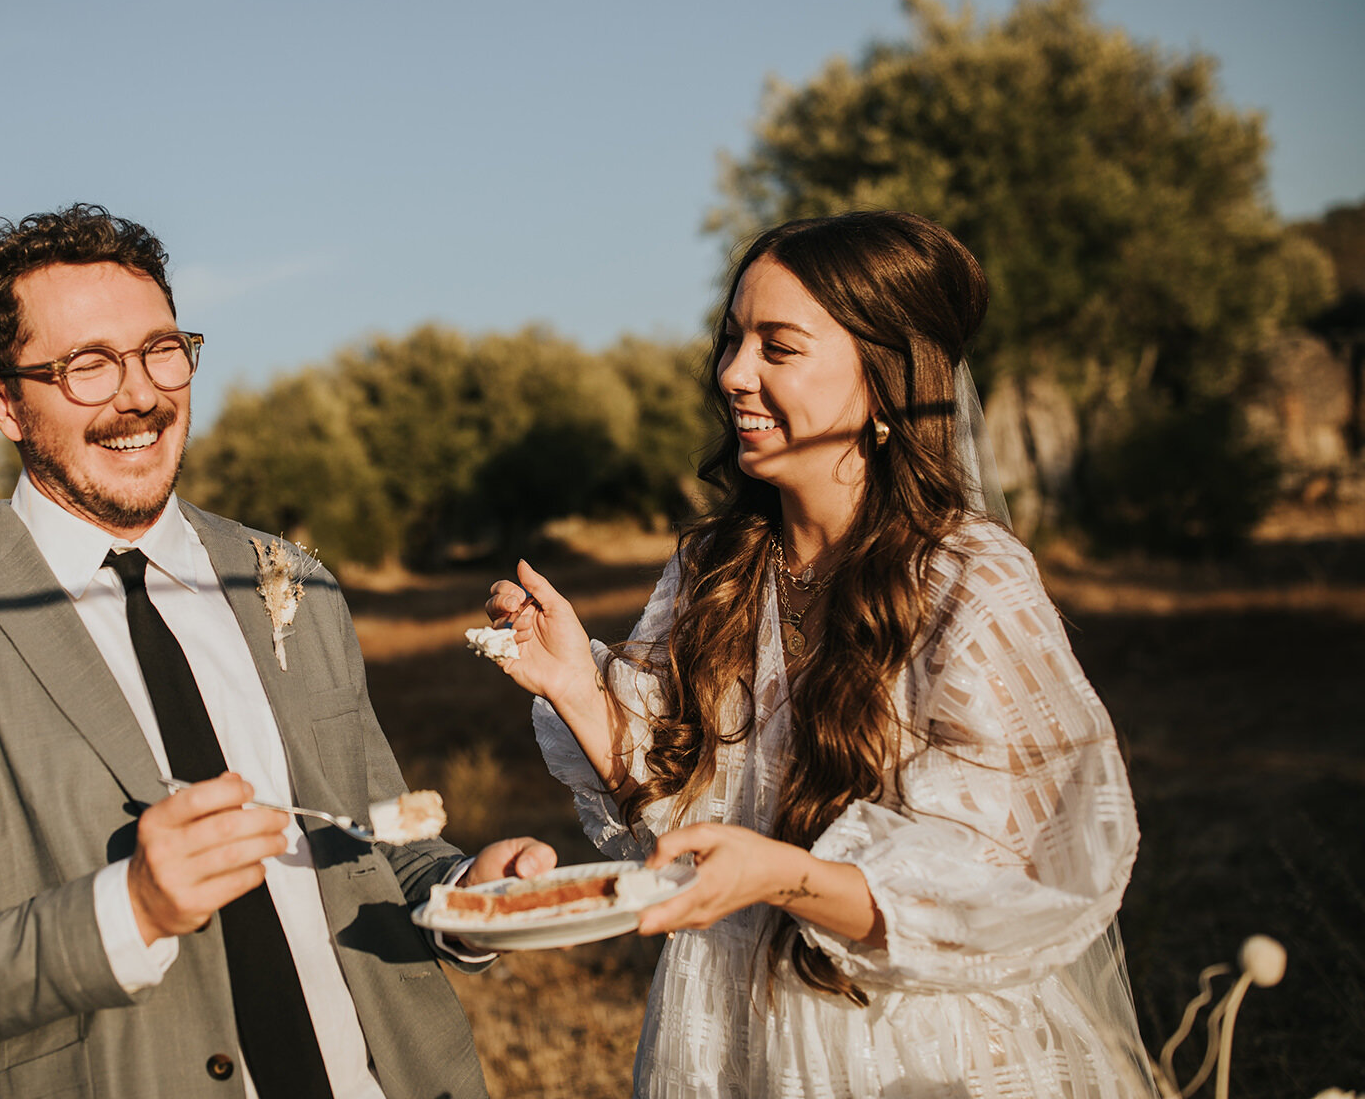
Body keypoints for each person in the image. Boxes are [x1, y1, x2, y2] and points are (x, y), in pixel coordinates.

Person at [0, 203, 554, 1099]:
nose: (141, 396)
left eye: (160, 350)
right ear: (3, 404)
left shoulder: (293, 581)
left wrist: (468, 896)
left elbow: (378, 840)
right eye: (87, 366)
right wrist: (129, 911)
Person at [484, 211, 1159, 1098]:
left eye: (779, 347)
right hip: (726, 1041)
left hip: (911, 1049)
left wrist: (793, 878)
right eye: (732, 340)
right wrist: (576, 683)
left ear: (882, 376)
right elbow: (677, 823)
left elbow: (1026, 872)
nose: (732, 374)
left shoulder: (966, 580)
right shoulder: (711, 570)